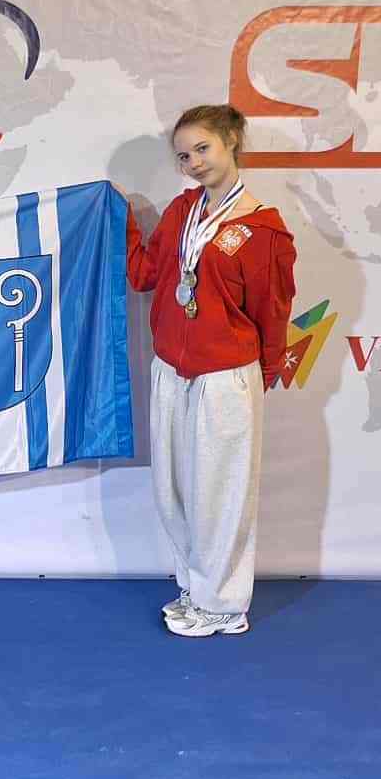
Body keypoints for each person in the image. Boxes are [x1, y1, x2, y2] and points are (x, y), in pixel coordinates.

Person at [118, 103, 296, 637]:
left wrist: (261, 374)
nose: (193, 162)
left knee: (220, 495)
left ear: (231, 142)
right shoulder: (181, 212)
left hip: (224, 377)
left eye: (202, 148)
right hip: (171, 370)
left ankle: (223, 606)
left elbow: (273, 310)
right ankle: (195, 589)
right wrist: (119, 220)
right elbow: (145, 274)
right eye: (183, 156)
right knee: (172, 491)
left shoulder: (263, 229)